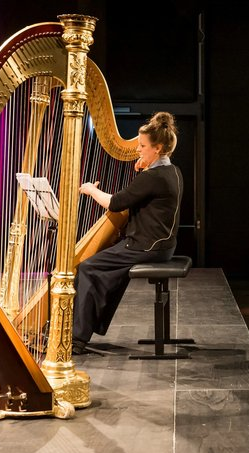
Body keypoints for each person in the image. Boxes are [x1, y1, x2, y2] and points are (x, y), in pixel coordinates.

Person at [73, 112, 182, 353]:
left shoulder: (153, 177)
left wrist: (91, 190)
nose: (138, 150)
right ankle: (86, 328)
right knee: (103, 270)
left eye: (142, 146)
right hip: (162, 246)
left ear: (158, 148)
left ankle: (76, 339)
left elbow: (116, 203)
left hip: (146, 246)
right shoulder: (171, 171)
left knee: (88, 267)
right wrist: (144, 170)